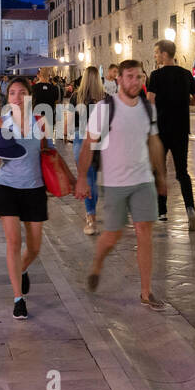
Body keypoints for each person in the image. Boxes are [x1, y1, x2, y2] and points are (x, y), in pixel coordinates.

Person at [76, 59, 169, 310]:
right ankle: (97, 263)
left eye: (139, 77)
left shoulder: (148, 109)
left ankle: (146, 292)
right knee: (112, 235)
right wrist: (83, 178)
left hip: (143, 181)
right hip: (116, 183)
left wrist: (161, 175)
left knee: (144, 233)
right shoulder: (106, 108)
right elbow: (87, 144)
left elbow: (154, 142)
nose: (135, 81)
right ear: (118, 80)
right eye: (130, 77)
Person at [0, 76, 53, 319]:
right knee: (13, 242)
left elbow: (49, 153)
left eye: (22, 92)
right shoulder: (0, 123)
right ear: (7, 97)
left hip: (34, 188)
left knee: (34, 247)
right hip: (7, 187)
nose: (18, 97)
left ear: (29, 96)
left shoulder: (41, 122)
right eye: (13, 93)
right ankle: (18, 298)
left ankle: (21, 270)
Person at [146, 40, 195, 230]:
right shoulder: (186, 74)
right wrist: (182, 102)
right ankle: (190, 209)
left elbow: (150, 101)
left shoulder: (156, 75)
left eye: (156, 53)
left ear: (163, 54)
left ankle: (162, 212)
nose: (154, 56)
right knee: (182, 172)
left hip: (161, 130)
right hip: (181, 130)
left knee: (159, 170)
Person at [72, 66, 106, 233]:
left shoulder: (75, 97)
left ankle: (90, 216)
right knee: (92, 179)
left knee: (86, 178)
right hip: (98, 139)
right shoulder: (104, 98)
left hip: (80, 138)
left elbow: (70, 120)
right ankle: (91, 215)